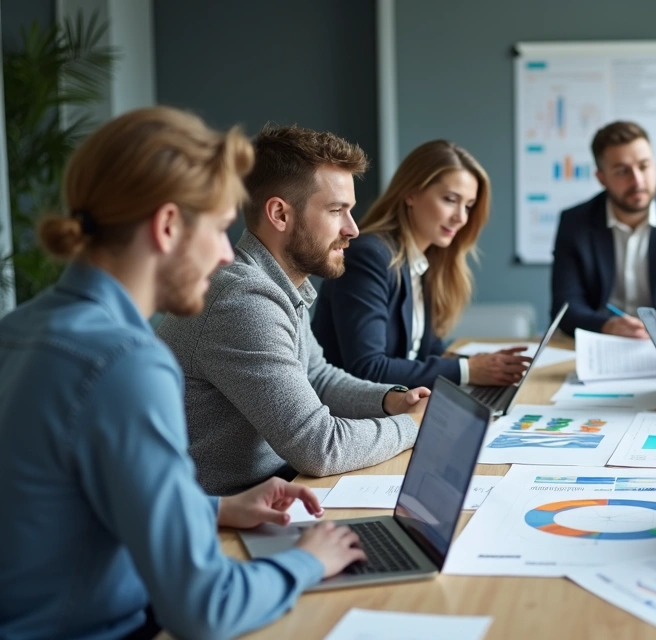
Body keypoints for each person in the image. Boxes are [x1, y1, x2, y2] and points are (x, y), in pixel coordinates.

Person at [0, 107, 366, 640]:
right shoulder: (126, 363)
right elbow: (204, 609)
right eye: (219, 229)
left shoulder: (19, 328)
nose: (225, 255)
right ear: (168, 226)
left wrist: (215, 507)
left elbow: (63, 504)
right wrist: (310, 559)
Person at [158, 124, 428, 496]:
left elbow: (316, 376)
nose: (353, 229)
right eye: (336, 210)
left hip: (274, 490)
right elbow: (320, 447)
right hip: (223, 519)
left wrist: (392, 399)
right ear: (280, 215)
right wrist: (414, 426)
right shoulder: (243, 300)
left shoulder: (282, 283)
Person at [313, 140, 529, 388]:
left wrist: (484, 365)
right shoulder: (369, 255)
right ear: (411, 194)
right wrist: (468, 370)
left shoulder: (426, 261)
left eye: (468, 206)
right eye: (450, 199)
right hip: (351, 416)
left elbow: (427, 353)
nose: (461, 217)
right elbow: (367, 368)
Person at [550, 120, 656, 339]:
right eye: (622, 171)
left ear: (655, 166)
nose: (637, 180)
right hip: (602, 339)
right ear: (602, 178)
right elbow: (566, 308)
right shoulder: (575, 222)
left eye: (644, 166)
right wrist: (608, 326)